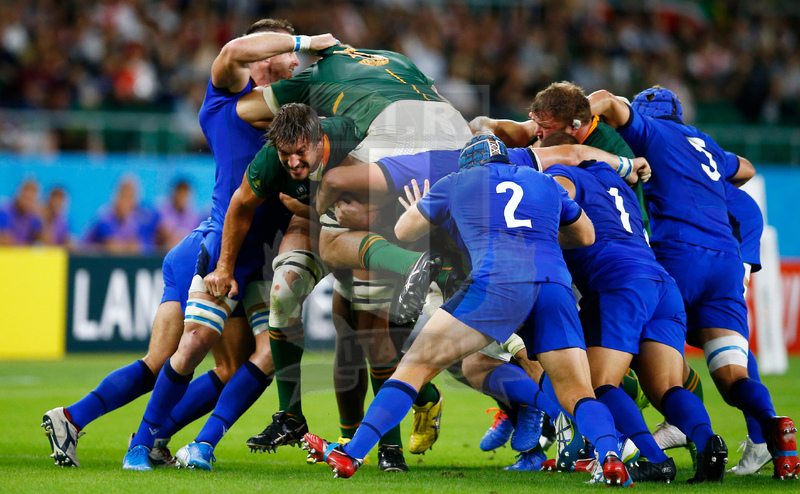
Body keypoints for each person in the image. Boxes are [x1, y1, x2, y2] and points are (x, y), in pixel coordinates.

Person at [303, 134, 632, 487]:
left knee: (415, 366)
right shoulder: (545, 182)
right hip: (554, 286)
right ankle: (610, 457)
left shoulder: (456, 181)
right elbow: (586, 235)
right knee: (578, 392)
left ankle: (352, 452)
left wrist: (421, 207)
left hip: (497, 283)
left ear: (469, 163)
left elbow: (404, 230)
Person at [120, 21, 337, 471]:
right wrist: (307, 41)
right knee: (194, 342)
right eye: (288, 52)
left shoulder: (291, 117)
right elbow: (235, 51)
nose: (295, 61)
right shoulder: (229, 101)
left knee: (263, 355)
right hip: (227, 245)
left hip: (266, 255)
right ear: (266, 52)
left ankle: (201, 444)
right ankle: (141, 443)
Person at [589, 86, 800, 480]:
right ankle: (774, 428)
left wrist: (577, 114)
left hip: (678, 255)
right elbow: (746, 168)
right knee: (733, 375)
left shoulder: (652, 133)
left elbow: (609, 102)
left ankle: (652, 438)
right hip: (725, 261)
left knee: (642, 355)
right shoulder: (703, 142)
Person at [541, 131, 727, 483]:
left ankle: (654, 459)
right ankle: (709, 443)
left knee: (598, 384)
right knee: (667, 387)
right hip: (660, 282)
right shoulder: (618, 183)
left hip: (617, 281)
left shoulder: (561, 173)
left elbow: (553, 207)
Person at [83, 178, 151, 254]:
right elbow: (112, 247)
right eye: (123, 195)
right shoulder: (104, 218)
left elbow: (140, 246)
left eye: (130, 196)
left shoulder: (135, 221)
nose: (126, 201)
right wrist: (126, 247)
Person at [156, 180, 204, 251]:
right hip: (167, 251)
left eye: (185, 195)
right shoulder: (163, 212)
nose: (182, 198)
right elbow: (165, 233)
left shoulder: (194, 217)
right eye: (180, 194)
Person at [0, 179, 43, 245]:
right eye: (26, 198)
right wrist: (29, 247)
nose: (27, 203)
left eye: (31, 200)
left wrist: (40, 216)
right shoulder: (5, 212)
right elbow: (4, 240)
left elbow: (46, 242)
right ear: (19, 195)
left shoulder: (33, 216)